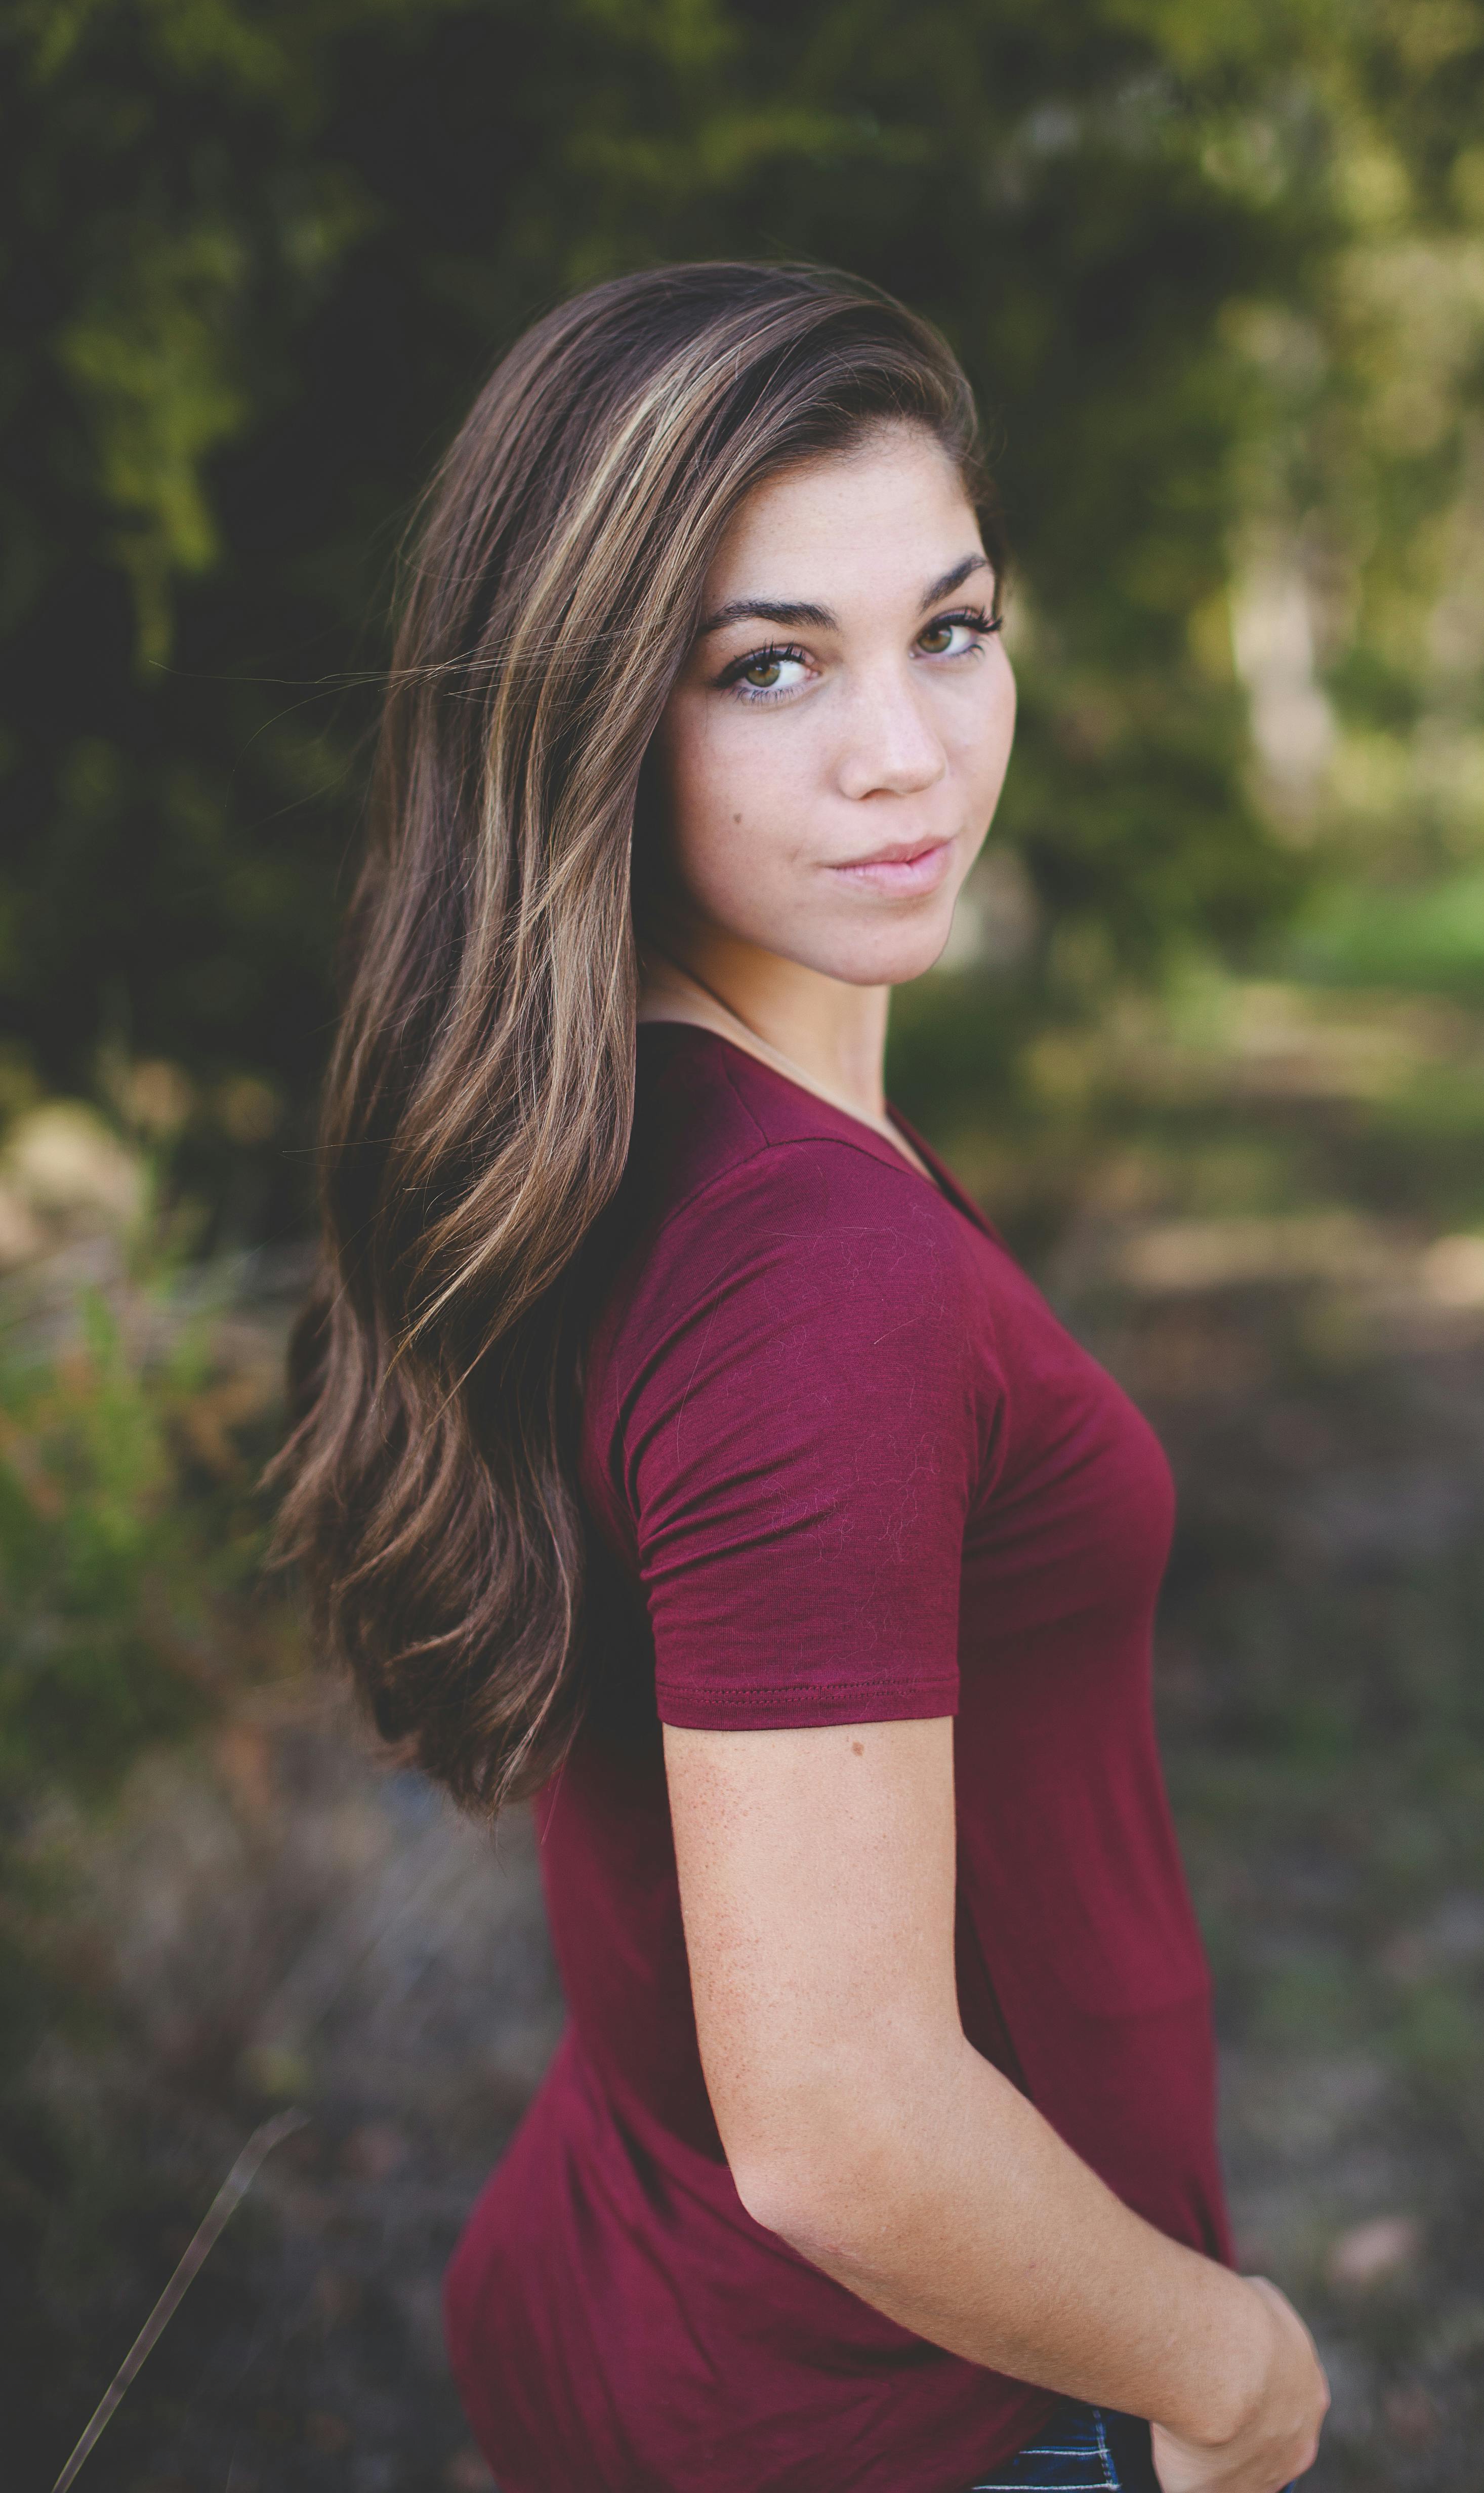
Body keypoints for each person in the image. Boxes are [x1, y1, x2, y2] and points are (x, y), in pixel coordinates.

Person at [276, 263, 1329, 2493]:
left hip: (633, 2299)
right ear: (586, 722)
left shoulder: (637, 1128)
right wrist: (1233, 2378)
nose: (909, 750)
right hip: (919, 2415)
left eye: (950, 629)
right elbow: (849, 2130)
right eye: (773, 668)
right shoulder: (805, 1270)